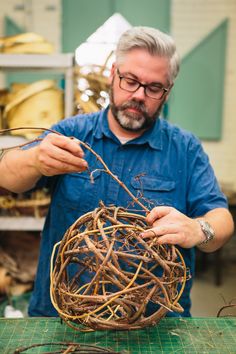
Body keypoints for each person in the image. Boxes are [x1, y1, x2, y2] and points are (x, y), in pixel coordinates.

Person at [0, 26, 234, 318]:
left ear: (167, 91)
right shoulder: (71, 134)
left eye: (153, 87)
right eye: (130, 80)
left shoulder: (185, 149)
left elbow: (222, 220)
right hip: (64, 316)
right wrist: (34, 159)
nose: (138, 95)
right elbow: (6, 175)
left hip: (152, 323)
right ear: (113, 74)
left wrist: (199, 229)